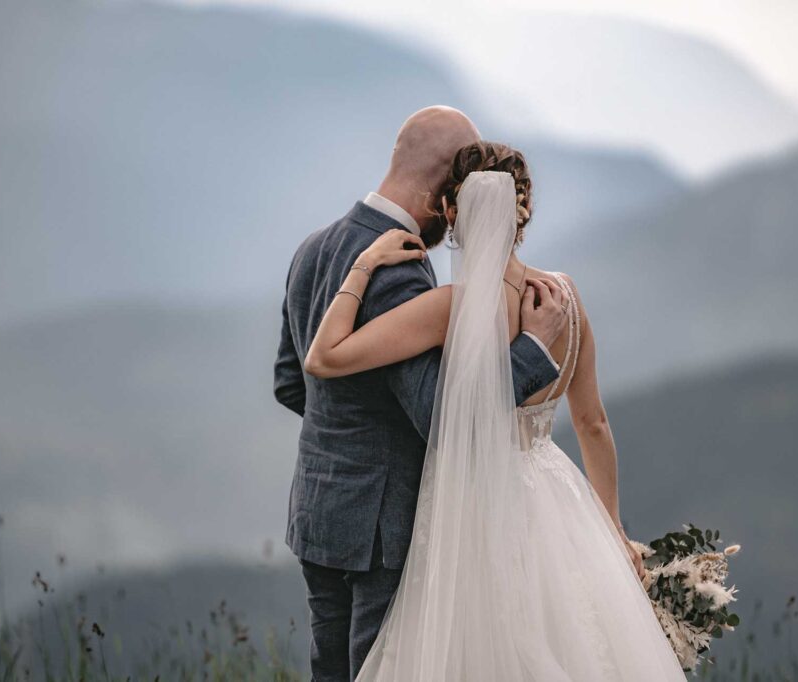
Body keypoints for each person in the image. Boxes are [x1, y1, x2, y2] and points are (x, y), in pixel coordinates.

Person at [304, 141, 688, 679]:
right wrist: (613, 530)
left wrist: (363, 265)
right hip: (557, 498)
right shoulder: (565, 296)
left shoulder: (450, 306)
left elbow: (324, 357)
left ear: (451, 213)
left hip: (474, 506)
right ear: (523, 209)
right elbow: (593, 423)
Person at [273, 108, 569, 682]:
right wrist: (533, 349)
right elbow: (440, 413)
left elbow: (292, 382)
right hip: (379, 527)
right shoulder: (403, 269)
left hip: (315, 507)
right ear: (440, 191)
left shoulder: (313, 246)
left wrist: (345, 437)